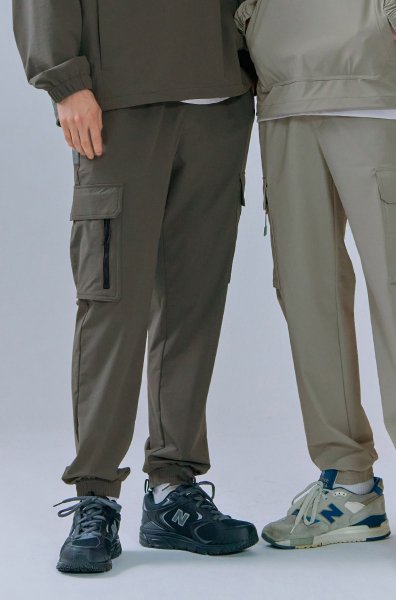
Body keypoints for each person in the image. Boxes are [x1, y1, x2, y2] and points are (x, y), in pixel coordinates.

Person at [236, 0, 396, 584]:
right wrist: (251, 18)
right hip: (282, 92)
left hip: (376, 82)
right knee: (305, 293)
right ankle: (349, 487)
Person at [13, 0, 258, 574]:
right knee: (111, 301)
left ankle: (174, 488)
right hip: (119, 100)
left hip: (222, 100)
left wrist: (256, 65)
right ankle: (95, 495)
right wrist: (64, 80)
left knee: (194, 303)